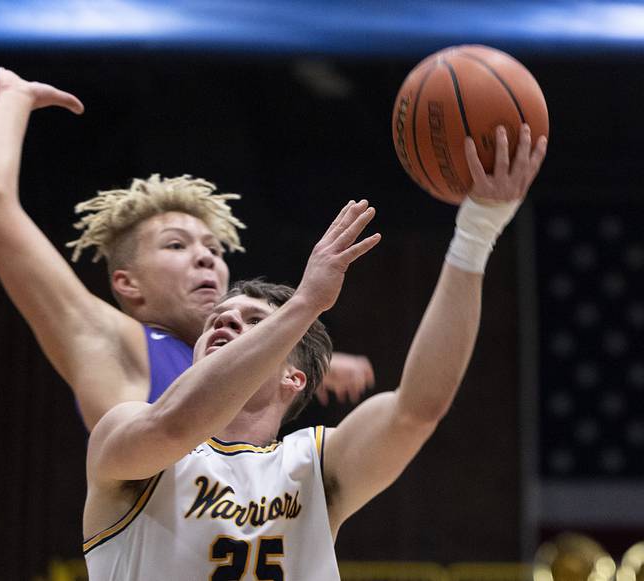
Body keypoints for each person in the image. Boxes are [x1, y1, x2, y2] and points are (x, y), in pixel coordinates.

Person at [82, 125, 547, 579]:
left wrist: (476, 233)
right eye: (218, 320)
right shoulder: (126, 431)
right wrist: (305, 303)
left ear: (293, 377)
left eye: (254, 322)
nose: (226, 320)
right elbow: (174, 426)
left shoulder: (313, 466)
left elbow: (418, 409)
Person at [0, 68, 375, 432]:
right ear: (129, 284)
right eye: (176, 245)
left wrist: (306, 359)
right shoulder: (112, 340)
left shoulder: (237, 360)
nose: (206, 257)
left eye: (214, 249)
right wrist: (14, 98)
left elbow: (247, 356)